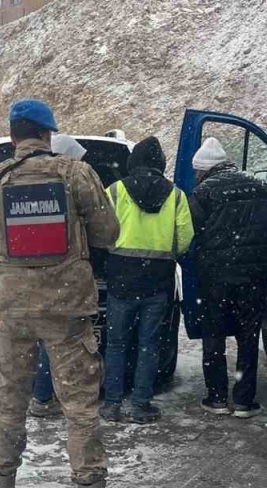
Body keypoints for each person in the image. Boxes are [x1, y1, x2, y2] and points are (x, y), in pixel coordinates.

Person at [0, 99, 128, 488]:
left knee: (9, 405)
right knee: (80, 410)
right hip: (68, 309)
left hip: (11, 312)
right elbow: (108, 234)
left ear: (14, 135)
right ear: (48, 134)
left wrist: (11, 278)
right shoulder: (76, 174)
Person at [189, 137, 267, 418]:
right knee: (247, 334)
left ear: (206, 169)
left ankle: (217, 398)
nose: (196, 176)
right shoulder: (259, 186)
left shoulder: (204, 192)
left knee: (214, 334)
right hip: (254, 275)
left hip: (216, 276)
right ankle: (244, 400)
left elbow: (191, 232)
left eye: (197, 171)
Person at [100, 137, 193, 424]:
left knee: (115, 343)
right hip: (157, 281)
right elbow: (185, 238)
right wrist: (165, 251)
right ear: (160, 165)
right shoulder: (176, 196)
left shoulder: (114, 191)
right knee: (148, 345)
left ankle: (112, 403)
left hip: (121, 279)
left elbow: (100, 230)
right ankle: (141, 404)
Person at [28, 134, 90, 421]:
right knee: (62, 345)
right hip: (62, 282)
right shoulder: (67, 189)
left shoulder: (30, 185)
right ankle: (50, 398)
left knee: (47, 342)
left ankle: (43, 396)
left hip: (36, 283)